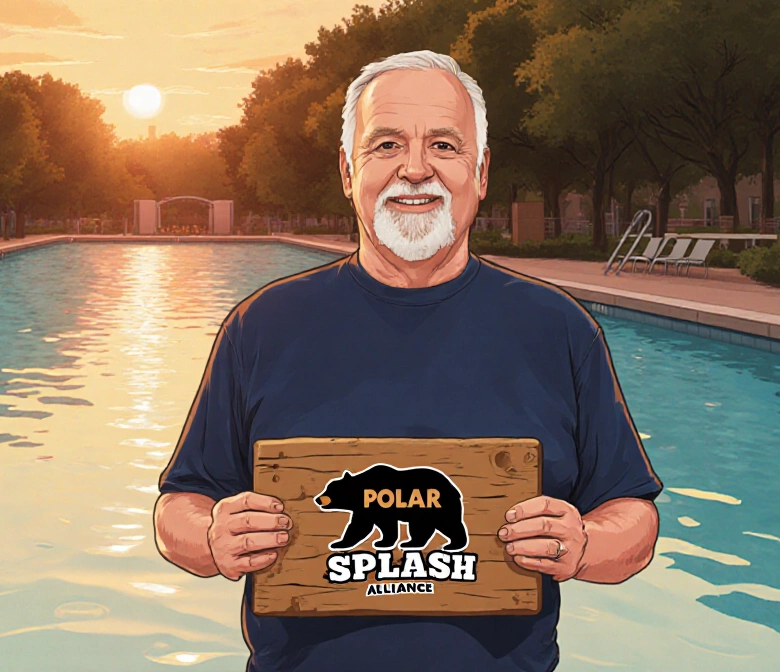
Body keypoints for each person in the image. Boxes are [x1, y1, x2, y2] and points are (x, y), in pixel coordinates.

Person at [152, 51, 662, 671]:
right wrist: (210, 538)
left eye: (444, 145)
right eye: (386, 144)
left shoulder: (558, 330)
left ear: (480, 170)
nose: (415, 169)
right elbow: (178, 507)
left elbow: (633, 516)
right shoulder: (262, 326)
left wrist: (585, 545)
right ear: (348, 170)